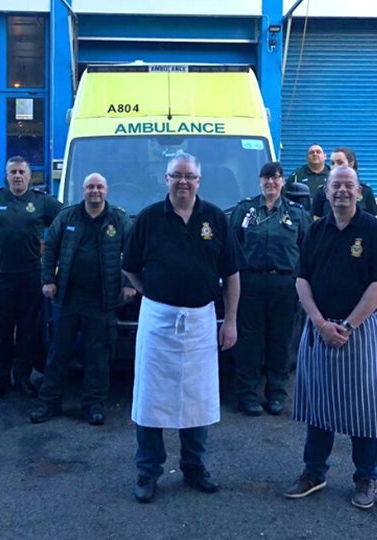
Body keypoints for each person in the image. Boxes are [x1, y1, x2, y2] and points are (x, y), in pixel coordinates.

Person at [122, 152, 240, 504]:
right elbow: (130, 268)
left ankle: (194, 467)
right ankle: (148, 470)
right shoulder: (148, 218)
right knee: (150, 397)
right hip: (158, 321)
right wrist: (154, 294)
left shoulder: (215, 219)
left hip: (201, 320)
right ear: (166, 179)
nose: (183, 182)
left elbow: (232, 274)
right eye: (177, 176)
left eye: (190, 176)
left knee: (197, 397)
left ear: (199, 181)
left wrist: (230, 320)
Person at [282, 165, 377, 510]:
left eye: (348, 185)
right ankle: (314, 472)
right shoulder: (316, 230)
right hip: (319, 328)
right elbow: (302, 279)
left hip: (358, 332)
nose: (342, 191)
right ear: (326, 192)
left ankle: (366, 476)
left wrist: (347, 326)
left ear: (359, 191)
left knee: (365, 408)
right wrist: (318, 322)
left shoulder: (374, 230)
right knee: (319, 404)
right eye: (336, 185)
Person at [30, 173, 134, 426]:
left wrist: (129, 284)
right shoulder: (67, 217)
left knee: (97, 355)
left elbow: (133, 252)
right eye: (90, 187)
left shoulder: (119, 219)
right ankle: (49, 402)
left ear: (106, 190)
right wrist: (48, 280)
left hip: (102, 299)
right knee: (58, 353)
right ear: (83, 190)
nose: (95, 191)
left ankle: (93, 405)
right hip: (67, 297)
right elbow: (50, 248)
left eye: (99, 186)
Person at [0, 156, 62, 400]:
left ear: (29, 175)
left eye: (21, 172)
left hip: (30, 276)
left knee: (26, 331)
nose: (17, 176)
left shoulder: (41, 201)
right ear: (6, 176)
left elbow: (67, 218)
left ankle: (22, 379)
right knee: (2, 333)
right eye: (12, 172)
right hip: (2, 276)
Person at [229, 162, 310, 417]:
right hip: (250, 284)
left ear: (283, 182)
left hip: (284, 285)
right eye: (266, 178)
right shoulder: (245, 210)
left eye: (275, 178)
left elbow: (307, 250)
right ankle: (248, 396)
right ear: (259, 181)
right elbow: (232, 248)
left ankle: (276, 394)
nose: (271, 183)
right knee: (249, 343)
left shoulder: (296, 213)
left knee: (281, 341)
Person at [313, 147, 377, 218]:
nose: (335, 166)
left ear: (351, 164)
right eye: (332, 163)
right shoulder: (322, 191)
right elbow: (316, 220)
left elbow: (373, 221)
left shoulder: (366, 191)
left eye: (340, 163)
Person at [287, 144, 330, 213]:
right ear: (306, 157)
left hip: (326, 218)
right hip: (302, 218)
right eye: (311, 152)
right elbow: (286, 199)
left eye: (318, 152)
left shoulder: (332, 175)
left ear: (325, 156)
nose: (315, 154)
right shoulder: (296, 175)